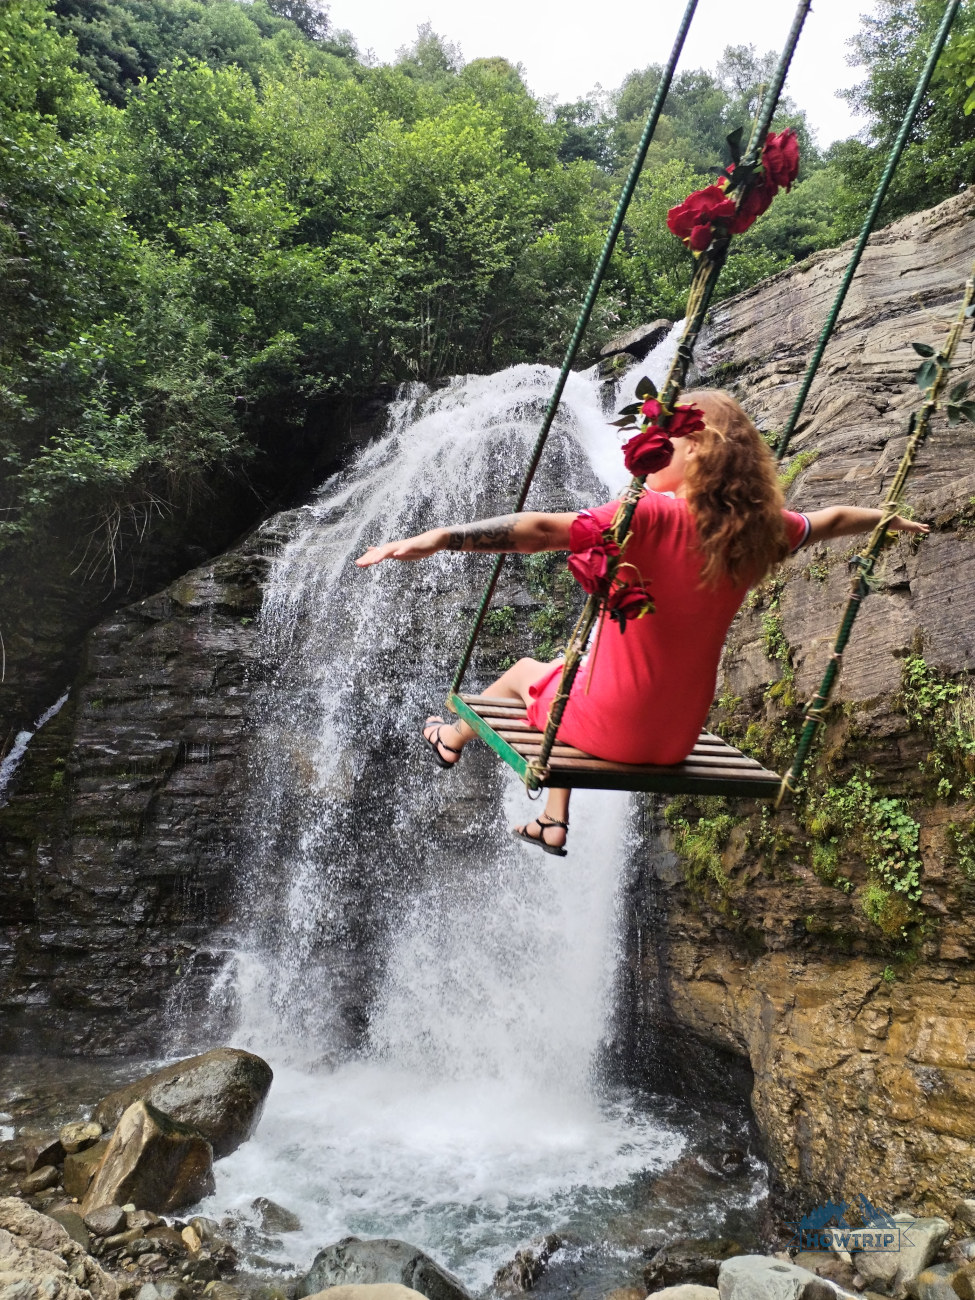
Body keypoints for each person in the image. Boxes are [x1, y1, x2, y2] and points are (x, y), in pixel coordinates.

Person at [356, 389, 928, 856]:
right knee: (569, 671)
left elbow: (541, 531)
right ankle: (552, 822)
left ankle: (450, 738)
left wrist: (442, 538)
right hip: (676, 737)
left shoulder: (650, 514)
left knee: (527, 672)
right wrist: (886, 518)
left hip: (612, 725)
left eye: (664, 443)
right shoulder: (763, 532)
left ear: (699, 452)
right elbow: (831, 520)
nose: (647, 449)